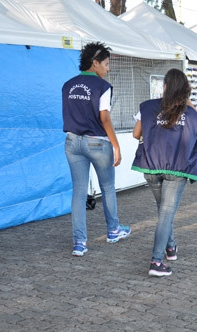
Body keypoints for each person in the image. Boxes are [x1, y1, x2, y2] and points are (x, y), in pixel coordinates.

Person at [131, 68, 197, 277]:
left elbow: (137, 134)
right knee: (165, 212)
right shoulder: (190, 113)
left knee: (163, 209)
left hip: (151, 166)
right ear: (185, 90)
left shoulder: (147, 107)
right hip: (177, 168)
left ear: (164, 86)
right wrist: (188, 104)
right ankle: (156, 261)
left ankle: (170, 247)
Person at [62, 42, 131, 257]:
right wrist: (116, 146)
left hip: (72, 142)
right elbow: (105, 119)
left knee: (79, 192)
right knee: (108, 187)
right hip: (98, 143)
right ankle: (113, 231)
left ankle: (79, 243)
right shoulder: (103, 87)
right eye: (106, 64)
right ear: (95, 63)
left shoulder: (67, 85)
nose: (108, 69)